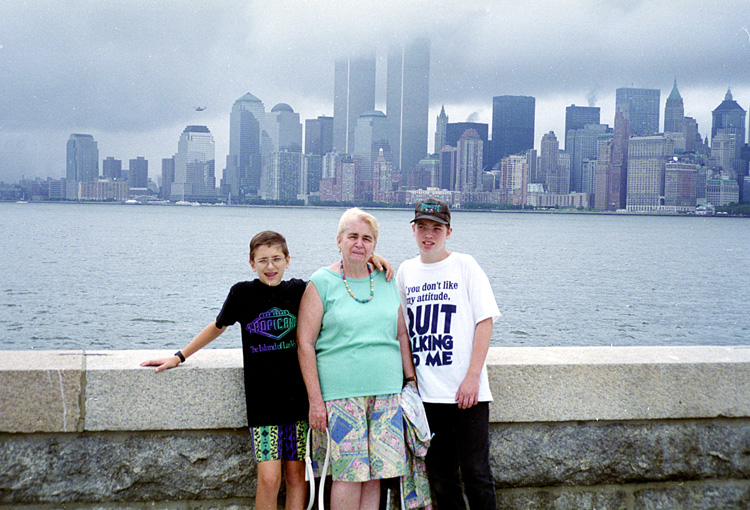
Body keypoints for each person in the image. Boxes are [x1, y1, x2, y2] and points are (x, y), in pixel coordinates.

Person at [141, 231, 393, 510]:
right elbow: (217, 326)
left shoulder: (300, 290)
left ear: (287, 260)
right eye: (262, 261)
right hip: (262, 404)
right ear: (252, 264)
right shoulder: (242, 294)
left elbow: (336, 276)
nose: (270, 266)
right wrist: (180, 356)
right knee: (270, 479)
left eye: (276, 259)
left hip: (298, 403)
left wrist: (370, 259)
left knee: (298, 477)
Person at [297, 208, 415, 510]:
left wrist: (410, 381)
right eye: (352, 236)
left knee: (376, 475)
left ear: (375, 245)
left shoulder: (387, 279)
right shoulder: (321, 282)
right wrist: (315, 400)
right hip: (340, 397)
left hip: (387, 395)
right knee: (349, 475)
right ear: (339, 240)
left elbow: (401, 335)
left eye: (367, 238)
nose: (359, 243)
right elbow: (305, 343)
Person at [395, 198, 500, 510]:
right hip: (428, 397)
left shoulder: (465, 265)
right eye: (423, 227)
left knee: (476, 473)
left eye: (436, 228)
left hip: (467, 395)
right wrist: (411, 380)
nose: (429, 234)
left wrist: (472, 379)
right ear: (413, 230)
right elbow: (403, 330)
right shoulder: (405, 271)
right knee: (441, 478)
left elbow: (485, 322)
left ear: (448, 231)